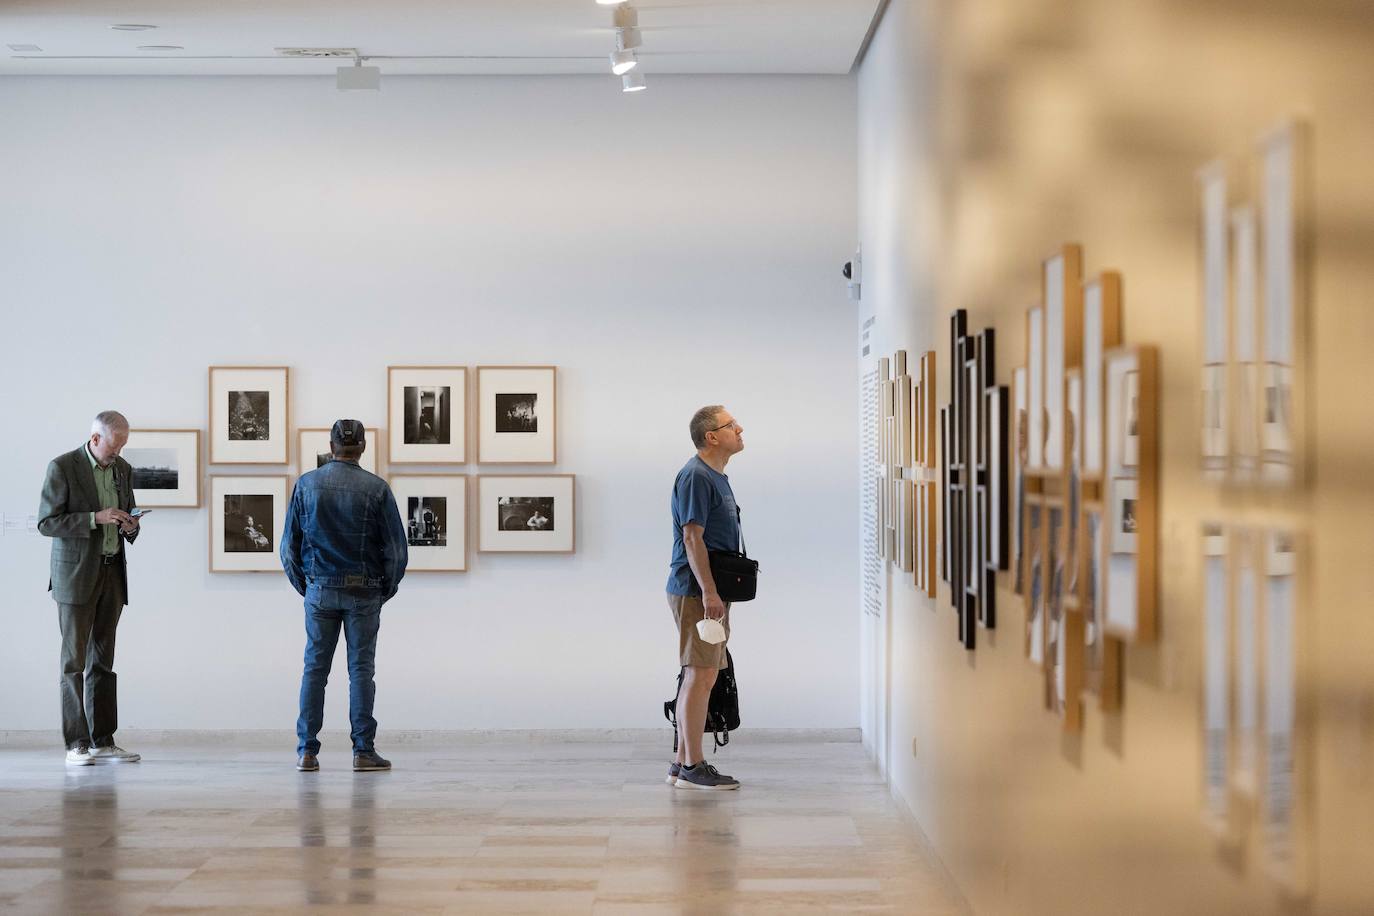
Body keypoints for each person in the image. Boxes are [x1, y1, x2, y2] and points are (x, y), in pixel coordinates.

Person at [280, 420, 408, 773]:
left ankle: (307, 751)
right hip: (363, 591)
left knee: (314, 671)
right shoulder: (377, 488)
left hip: (320, 589)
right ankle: (363, 751)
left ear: (331, 444)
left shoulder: (306, 484)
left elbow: (288, 549)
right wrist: (384, 589)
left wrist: (307, 587)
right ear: (363, 447)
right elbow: (396, 551)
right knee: (361, 672)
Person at [37, 411, 143, 767]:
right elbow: (47, 522)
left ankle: (103, 741)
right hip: (76, 577)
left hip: (112, 573)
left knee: (104, 662)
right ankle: (76, 744)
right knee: (73, 663)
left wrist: (130, 525)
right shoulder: (62, 467)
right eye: (114, 447)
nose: (118, 454)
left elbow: (127, 513)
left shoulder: (122, 469)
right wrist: (94, 518)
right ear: (95, 439)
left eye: (123, 447)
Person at [665, 405, 746, 790]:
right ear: (711, 437)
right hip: (697, 591)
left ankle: (682, 763)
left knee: (701, 673)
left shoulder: (715, 475)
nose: (740, 428)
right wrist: (710, 592)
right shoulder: (697, 476)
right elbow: (691, 537)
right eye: (731, 425)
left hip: (706, 591)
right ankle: (693, 766)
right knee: (700, 674)